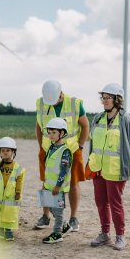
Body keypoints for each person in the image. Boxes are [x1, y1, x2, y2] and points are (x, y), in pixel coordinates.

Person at [87, 83, 130, 250]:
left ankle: (120, 236)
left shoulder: (127, 120)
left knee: (115, 202)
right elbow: (93, 143)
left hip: (115, 169)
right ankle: (104, 234)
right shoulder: (97, 118)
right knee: (101, 202)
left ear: (118, 100)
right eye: (103, 97)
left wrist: (122, 160)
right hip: (98, 168)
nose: (104, 101)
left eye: (108, 98)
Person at [35, 80, 89, 232]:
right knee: (48, 182)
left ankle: (73, 218)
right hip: (49, 150)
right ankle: (45, 217)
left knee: (73, 183)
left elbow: (85, 125)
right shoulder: (40, 103)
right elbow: (39, 126)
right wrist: (41, 148)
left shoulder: (74, 103)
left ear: (61, 93)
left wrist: (80, 146)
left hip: (72, 150)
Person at [40, 118, 72, 244]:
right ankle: (65, 226)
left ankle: (57, 233)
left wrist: (58, 186)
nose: (50, 135)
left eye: (54, 132)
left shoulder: (65, 152)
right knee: (51, 208)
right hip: (48, 185)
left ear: (62, 133)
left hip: (58, 188)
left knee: (58, 212)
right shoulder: (51, 148)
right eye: (49, 132)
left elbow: (64, 171)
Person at [0, 137, 25, 241]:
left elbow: (19, 180)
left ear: (13, 151)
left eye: (8, 150)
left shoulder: (17, 168)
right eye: (2, 150)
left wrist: (18, 192)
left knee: (10, 212)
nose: (5, 153)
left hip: (11, 195)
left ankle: (8, 230)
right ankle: (0, 229)